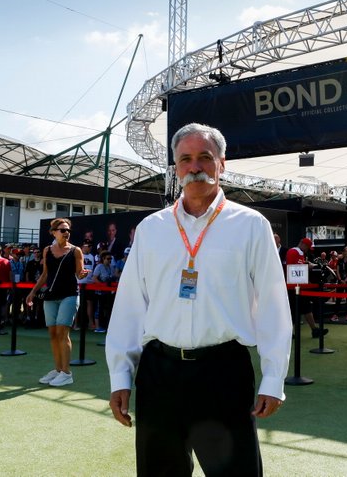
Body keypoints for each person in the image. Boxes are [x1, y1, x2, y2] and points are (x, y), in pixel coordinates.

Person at [105, 122, 292, 477]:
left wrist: (273, 379)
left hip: (223, 372)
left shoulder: (251, 225)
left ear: (222, 163)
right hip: (158, 374)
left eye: (205, 158)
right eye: (185, 159)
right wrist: (120, 376)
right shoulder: (151, 229)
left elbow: (272, 306)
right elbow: (131, 306)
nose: (195, 167)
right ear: (175, 167)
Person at [26, 218, 88, 387]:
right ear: (53, 232)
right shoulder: (47, 250)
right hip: (50, 296)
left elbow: (79, 273)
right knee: (53, 334)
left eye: (68, 230)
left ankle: (67, 373)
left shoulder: (76, 251)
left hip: (69, 295)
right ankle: (58, 369)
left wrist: (82, 274)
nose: (66, 232)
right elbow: (45, 274)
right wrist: (33, 292)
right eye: (62, 230)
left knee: (62, 332)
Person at [285, 237, 327, 338]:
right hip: (295, 287)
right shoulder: (295, 252)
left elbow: (296, 267)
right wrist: (309, 266)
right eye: (307, 247)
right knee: (297, 310)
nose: (307, 249)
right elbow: (295, 268)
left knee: (304, 309)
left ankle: (314, 330)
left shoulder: (296, 252)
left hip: (297, 287)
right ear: (303, 244)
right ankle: (312, 330)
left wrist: (307, 264)